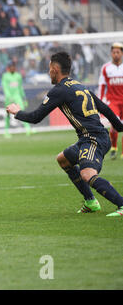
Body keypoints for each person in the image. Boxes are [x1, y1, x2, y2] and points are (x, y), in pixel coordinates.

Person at [6, 52, 123, 217]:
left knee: (87, 174)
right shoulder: (79, 86)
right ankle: (91, 201)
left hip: (93, 139)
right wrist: (119, 127)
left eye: (49, 69)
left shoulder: (59, 90)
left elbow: (35, 117)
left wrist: (16, 112)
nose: (48, 73)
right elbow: (104, 108)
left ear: (54, 69)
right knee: (63, 159)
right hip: (88, 138)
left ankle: (121, 204)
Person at [98, 42, 123, 160]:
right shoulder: (106, 68)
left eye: (118, 52)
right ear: (111, 54)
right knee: (115, 124)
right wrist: (99, 101)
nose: (116, 54)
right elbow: (102, 85)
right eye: (114, 52)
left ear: (121, 53)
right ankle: (113, 147)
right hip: (112, 101)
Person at [1, 61, 31, 138]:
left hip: (17, 97)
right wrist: (8, 96)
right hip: (9, 98)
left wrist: (24, 98)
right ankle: (6, 131)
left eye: (14, 67)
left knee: (22, 111)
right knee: (7, 114)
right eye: (11, 67)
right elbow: (5, 88)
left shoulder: (18, 76)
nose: (13, 68)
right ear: (9, 68)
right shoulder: (5, 76)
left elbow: (20, 88)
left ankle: (28, 129)